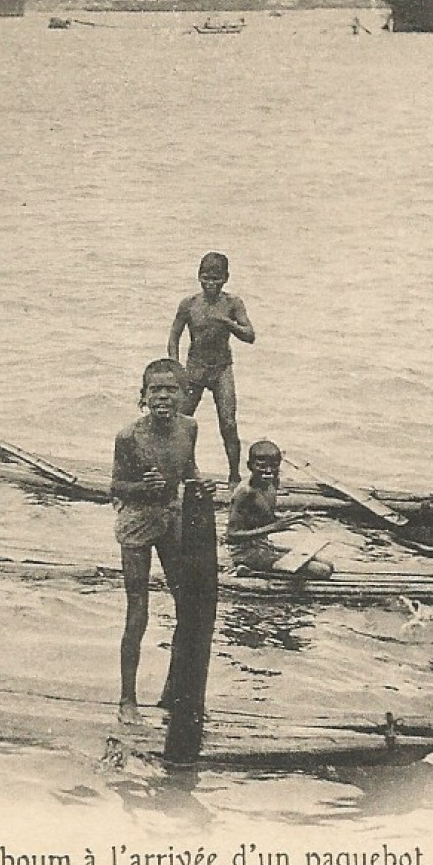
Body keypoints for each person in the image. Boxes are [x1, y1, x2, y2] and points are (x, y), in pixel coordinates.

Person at [111, 358, 203, 725]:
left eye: (170, 389)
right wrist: (141, 488)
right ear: (143, 396)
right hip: (136, 522)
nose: (162, 396)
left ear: (184, 395)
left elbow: (189, 468)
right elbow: (115, 487)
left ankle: (174, 691)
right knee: (138, 613)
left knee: (187, 607)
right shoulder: (129, 436)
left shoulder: (190, 428)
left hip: (171, 518)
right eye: (155, 390)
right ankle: (127, 699)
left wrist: (201, 484)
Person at [167, 252, 255, 486]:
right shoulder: (189, 304)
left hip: (221, 369)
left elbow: (250, 335)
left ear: (226, 278)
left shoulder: (233, 303)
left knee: (228, 423)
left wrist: (227, 322)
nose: (210, 284)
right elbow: (174, 337)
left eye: (216, 279)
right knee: (180, 421)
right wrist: (175, 368)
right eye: (206, 278)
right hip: (194, 369)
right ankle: (184, 469)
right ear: (198, 277)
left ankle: (234, 475)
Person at [224, 440, 334, 579]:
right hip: (244, 553)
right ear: (249, 466)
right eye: (261, 466)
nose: (268, 471)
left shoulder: (272, 483)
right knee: (321, 571)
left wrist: (295, 518)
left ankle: (266, 569)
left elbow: (263, 517)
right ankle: (252, 571)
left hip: (263, 546)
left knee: (328, 565)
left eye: (274, 466)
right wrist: (275, 527)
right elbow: (232, 535)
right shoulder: (245, 492)